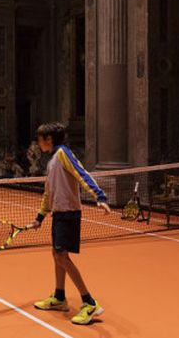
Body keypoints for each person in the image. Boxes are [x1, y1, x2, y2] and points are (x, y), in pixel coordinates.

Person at [26, 122, 111, 325]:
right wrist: (40, 217)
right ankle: (59, 297)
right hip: (59, 215)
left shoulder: (63, 153)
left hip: (69, 214)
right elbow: (49, 192)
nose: (38, 144)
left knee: (62, 257)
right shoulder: (52, 161)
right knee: (56, 255)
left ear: (48, 139)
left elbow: (82, 173)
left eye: (40, 139)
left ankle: (89, 303)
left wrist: (99, 196)